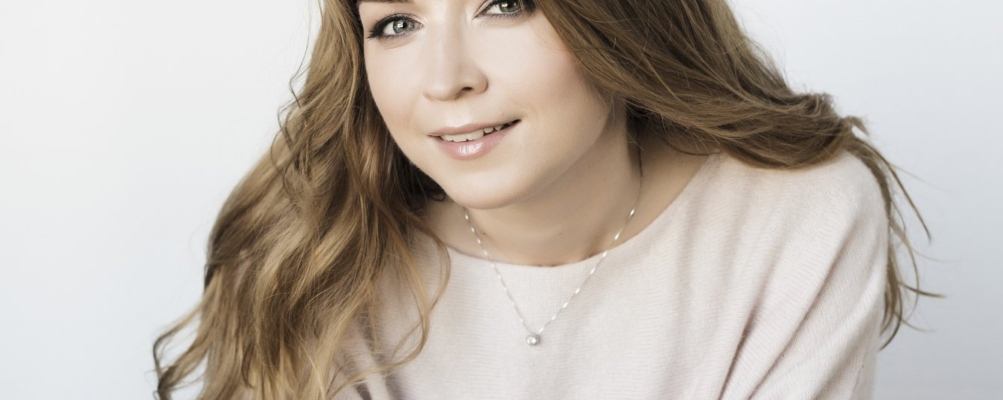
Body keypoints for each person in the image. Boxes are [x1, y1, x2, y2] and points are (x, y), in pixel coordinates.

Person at [153, 0, 937, 398]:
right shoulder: (310, 261)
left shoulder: (793, 219)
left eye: (505, 2)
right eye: (396, 22)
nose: (446, 79)